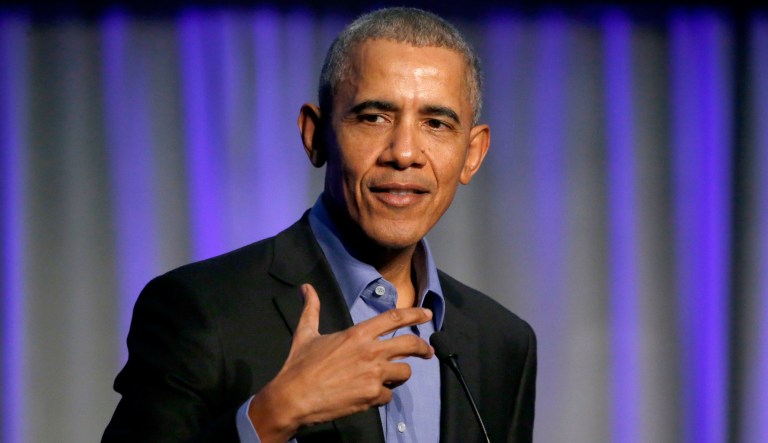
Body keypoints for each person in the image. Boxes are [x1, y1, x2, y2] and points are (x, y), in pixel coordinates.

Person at [103, 7, 536, 443]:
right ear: (315, 135)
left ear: (473, 153)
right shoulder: (200, 310)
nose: (404, 153)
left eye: (436, 124)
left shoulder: (502, 342)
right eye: (374, 117)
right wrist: (272, 415)